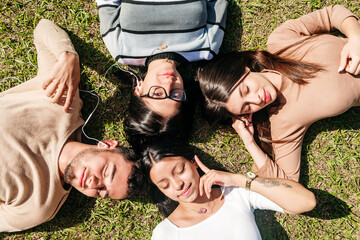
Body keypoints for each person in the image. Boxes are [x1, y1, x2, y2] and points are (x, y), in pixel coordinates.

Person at [0, 19, 143, 232]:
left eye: (102, 191)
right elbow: (43, 28)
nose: (95, 183)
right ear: (107, 144)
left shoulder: (38, 207)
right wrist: (68, 56)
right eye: (106, 171)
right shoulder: (63, 102)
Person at [197, 5, 360, 181]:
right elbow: (288, 183)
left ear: (244, 70)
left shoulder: (280, 41)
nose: (256, 99)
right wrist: (249, 142)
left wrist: (355, 38)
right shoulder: (284, 122)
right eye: (247, 107)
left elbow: (332, 14)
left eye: (246, 90)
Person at [95, 0, 228, 144]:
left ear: (138, 90)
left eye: (157, 93)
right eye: (175, 95)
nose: (169, 83)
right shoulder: (206, 48)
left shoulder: (122, 50)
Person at [141, 141, 316, 240]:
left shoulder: (236, 193)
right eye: (165, 185)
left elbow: (306, 201)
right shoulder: (166, 233)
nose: (177, 184)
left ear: (193, 162)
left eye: (180, 171)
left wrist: (238, 179)